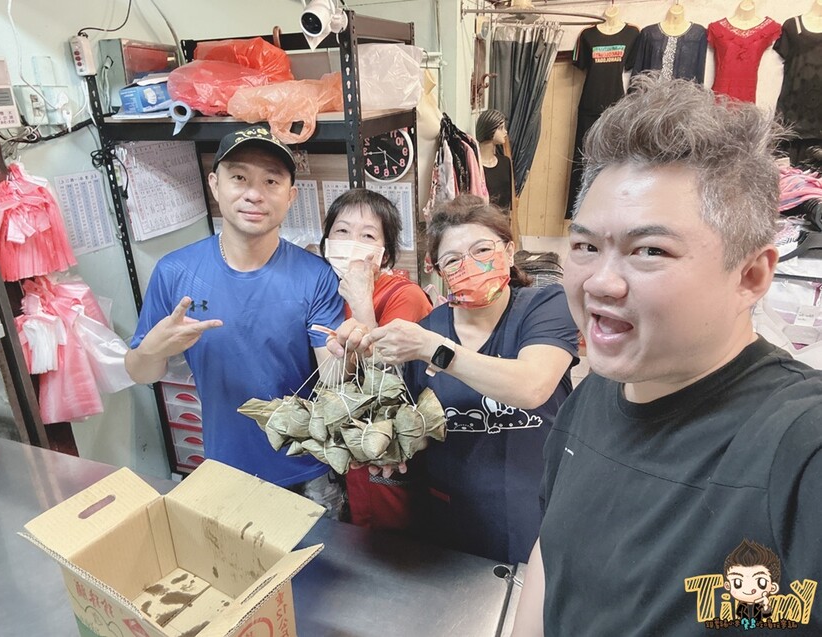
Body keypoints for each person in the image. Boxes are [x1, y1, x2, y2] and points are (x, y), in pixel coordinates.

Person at [512, 75, 822, 636]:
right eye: (585, 246)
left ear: (751, 276)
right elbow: (551, 553)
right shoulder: (592, 397)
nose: (599, 282)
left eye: (649, 250)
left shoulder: (800, 446)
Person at [330, 195, 579, 564]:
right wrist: (390, 450)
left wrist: (435, 350)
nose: (470, 265)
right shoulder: (427, 329)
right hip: (452, 514)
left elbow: (532, 387)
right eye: (452, 259)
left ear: (509, 251)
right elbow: (416, 423)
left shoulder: (544, 307)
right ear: (438, 271)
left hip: (537, 507)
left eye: (482, 249)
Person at [125, 124, 346, 514]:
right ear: (215, 184)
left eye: (271, 181)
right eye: (239, 178)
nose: (254, 194)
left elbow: (333, 375)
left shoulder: (315, 276)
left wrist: (354, 342)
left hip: (310, 469)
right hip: (226, 467)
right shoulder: (175, 272)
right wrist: (151, 352)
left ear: (291, 195)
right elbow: (140, 373)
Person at [320, 188, 432, 530]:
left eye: (367, 235)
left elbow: (387, 381)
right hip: (353, 441)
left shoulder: (404, 295)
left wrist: (362, 301)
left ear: (386, 254)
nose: (352, 243)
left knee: (392, 535)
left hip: (392, 444)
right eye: (342, 231)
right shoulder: (328, 291)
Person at [475, 110, 513, 216]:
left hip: (502, 221)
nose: (505, 132)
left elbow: (508, 200)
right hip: (481, 221)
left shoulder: (505, 163)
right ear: (489, 130)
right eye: (500, 128)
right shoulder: (474, 167)